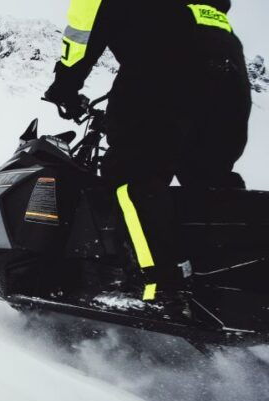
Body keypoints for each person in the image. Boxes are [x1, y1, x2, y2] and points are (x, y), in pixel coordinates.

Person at [43, 0, 252, 301]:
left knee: (131, 175)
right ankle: (232, 283)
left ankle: (160, 286)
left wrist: (64, 88)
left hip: (164, 70)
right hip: (231, 76)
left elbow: (81, 35)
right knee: (210, 180)